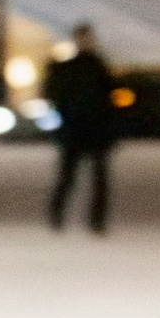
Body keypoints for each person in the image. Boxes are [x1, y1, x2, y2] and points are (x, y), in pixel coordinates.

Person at [41, 22, 118, 235]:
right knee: (68, 178)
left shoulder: (98, 66)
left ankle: (97, 222)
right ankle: (57, 217)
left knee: (98, 181)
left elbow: (109, 98)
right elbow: (53, 95)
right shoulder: (69, 67)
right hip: (75, 131)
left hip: (95, 131)